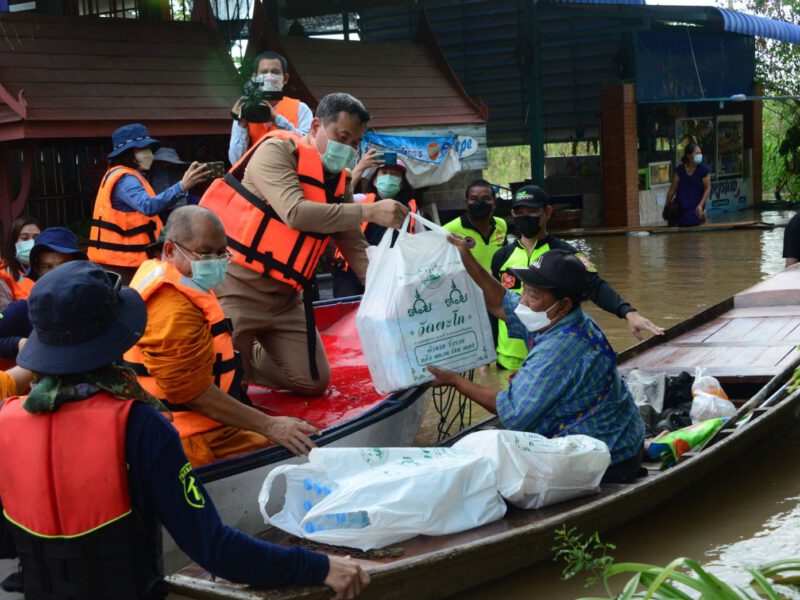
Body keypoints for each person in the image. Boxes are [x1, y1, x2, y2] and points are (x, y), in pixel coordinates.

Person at [0, 261, 370, 599]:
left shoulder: (8, 421)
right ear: (117, 341)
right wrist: (319, 566)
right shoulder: (140, 426)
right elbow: (215, 549)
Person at [201, 92, 408, 395]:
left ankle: (248, 357)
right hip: (240, 287)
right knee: (232, 386)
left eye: (354, 143)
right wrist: (370, 210)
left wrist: (385, 290)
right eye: (342, 136)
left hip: (288, 296)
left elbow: (354, 244)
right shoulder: (276, 151)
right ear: (315, 127)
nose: (347, 149)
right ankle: (234, 361)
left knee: (313, 381)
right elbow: (295, 213)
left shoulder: (338, 181)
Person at [429, 246, 646, 483]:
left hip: (608, 460)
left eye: (532, 296)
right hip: (623, 438)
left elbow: (512, 413)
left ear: (563, 305)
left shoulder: (559, 351)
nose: (522, 301)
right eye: (524, 291)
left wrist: (455, 380)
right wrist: (466, 257)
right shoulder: (560, 319)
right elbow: (500, 301)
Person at [124, 206, 319, 467]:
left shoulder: (181, 279)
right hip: (191, 438)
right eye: (205, 254)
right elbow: (192, 393)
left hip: (208, 423)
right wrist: (270, 425)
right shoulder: (172, 311)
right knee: (303, 443)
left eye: (221, 253)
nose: (215, 261)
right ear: (170, 250)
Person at [491, 185, 664, 371]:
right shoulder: (501, 257)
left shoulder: (565, 255)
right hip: (508, 360)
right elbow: (494, 305)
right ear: (512, 214)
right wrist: (487, 357)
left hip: (550, 358)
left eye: (532, 211)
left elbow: (594, 286)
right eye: (519, 212)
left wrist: (629, 313)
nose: (525, 217)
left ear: (547, 212)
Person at [87, 123, 210, 283]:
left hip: (124, 261)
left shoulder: (123, 175)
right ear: (129, 154)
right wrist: (182, 186)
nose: (150, 155)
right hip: (122, 264)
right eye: (144, 149)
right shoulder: (126, 179)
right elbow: (148, 207)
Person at [332, 157, 418, 297]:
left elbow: (420, 239)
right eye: (384, 173)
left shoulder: (411, 209)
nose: (389, 177)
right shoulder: (362, 200)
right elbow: (341, 195)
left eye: (395, 174)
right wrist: (360, 167)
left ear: (402, 183)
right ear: (375, 180)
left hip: (391, 273)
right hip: (351, 270)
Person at [0, 227, 88, 360]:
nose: (57, 274)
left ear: (78, 265)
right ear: (38, 270)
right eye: (48, 267)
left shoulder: (97, 303)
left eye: (64, 265)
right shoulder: (23, 309)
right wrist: (18, 343)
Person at [229, 51, 313, 165]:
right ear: (255, 78)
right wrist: (242, 123)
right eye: (264, 72)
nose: (269, 77)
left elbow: (308, 147)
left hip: (289, 174)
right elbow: (235, 160)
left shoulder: (301, 109)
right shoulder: (246, 108)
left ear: (285, 78)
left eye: (275, 72)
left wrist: (276, 119)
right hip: (255, 176)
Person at [443, 179, 507, 273]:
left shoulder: (501, 224)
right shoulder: (449, 230)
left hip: (497, 286)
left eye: (486, 198)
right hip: (467, 286)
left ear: (494, 202)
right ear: (466, 202)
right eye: (474, 199)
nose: (480, 203)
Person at [664, 143, 711, 227]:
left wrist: (701, 205)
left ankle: (702, 216)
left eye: (700, 153)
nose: (700, 155)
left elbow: (707, 189)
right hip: (681, 203)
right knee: (672, 212)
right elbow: (672, 189)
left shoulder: (703, 170)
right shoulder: (680, 170)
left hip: (696, 204)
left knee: (691, 222)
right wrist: (666, 207)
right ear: (689, 156)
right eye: (697, 153)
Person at [0, 216, 40, 308]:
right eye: (25, 238)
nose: (32, 242)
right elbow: (3, 316)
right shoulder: (3, 276)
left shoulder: (50, 268)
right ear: (13, 243)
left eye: (36, 238)